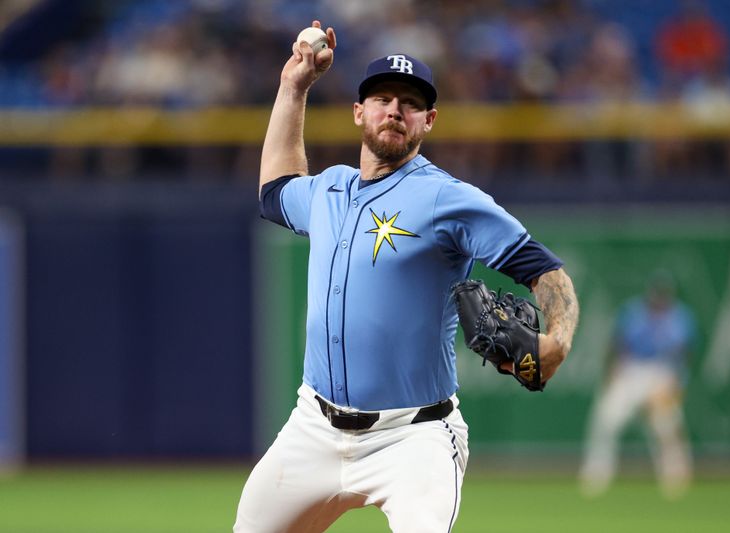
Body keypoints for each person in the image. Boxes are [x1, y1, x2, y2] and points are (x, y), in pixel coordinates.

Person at [234, 20, 579, 533]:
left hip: (413, 437)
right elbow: (274, 190)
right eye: (382, 98)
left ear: (428, 120)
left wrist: (559, 340)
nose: (394, 109)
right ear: (359, 112)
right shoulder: (329, 190)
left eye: (410, 102)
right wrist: (294, 86)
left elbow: (544, 270)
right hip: (313, 427)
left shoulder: (447, 197)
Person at [579, 270, 697, 499]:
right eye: (657, 295)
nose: (660, 300)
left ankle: (675, 477)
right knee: (606, 418)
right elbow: (618, 344)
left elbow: (684, 354)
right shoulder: (634, 312)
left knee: (666, 427)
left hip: (662, 373)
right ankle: (597, 473)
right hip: (631, 370)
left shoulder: (681, 317)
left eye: (664, 296)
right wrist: (613, 372)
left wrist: (675, 383)